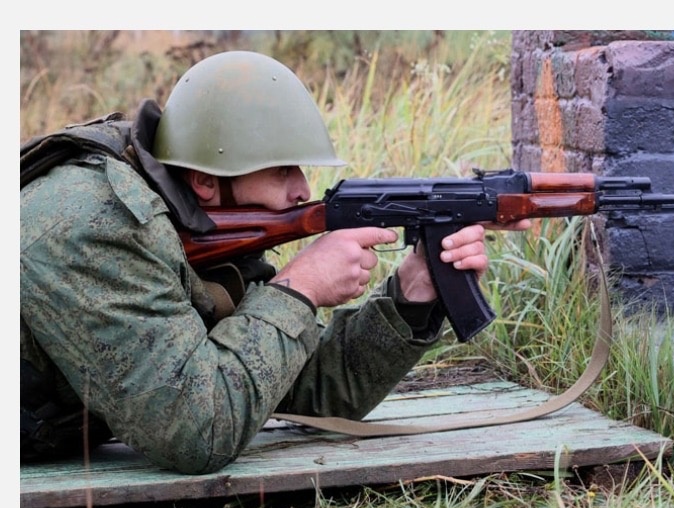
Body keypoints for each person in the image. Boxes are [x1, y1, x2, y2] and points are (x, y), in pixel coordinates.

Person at [20, 50, 529, 475]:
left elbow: (293, 390)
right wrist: (299, 287)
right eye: (283, 169)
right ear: (205, 179)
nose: (303, 189)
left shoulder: (195, 223)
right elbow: (198, 431)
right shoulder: (97, 224)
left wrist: (413, 294)